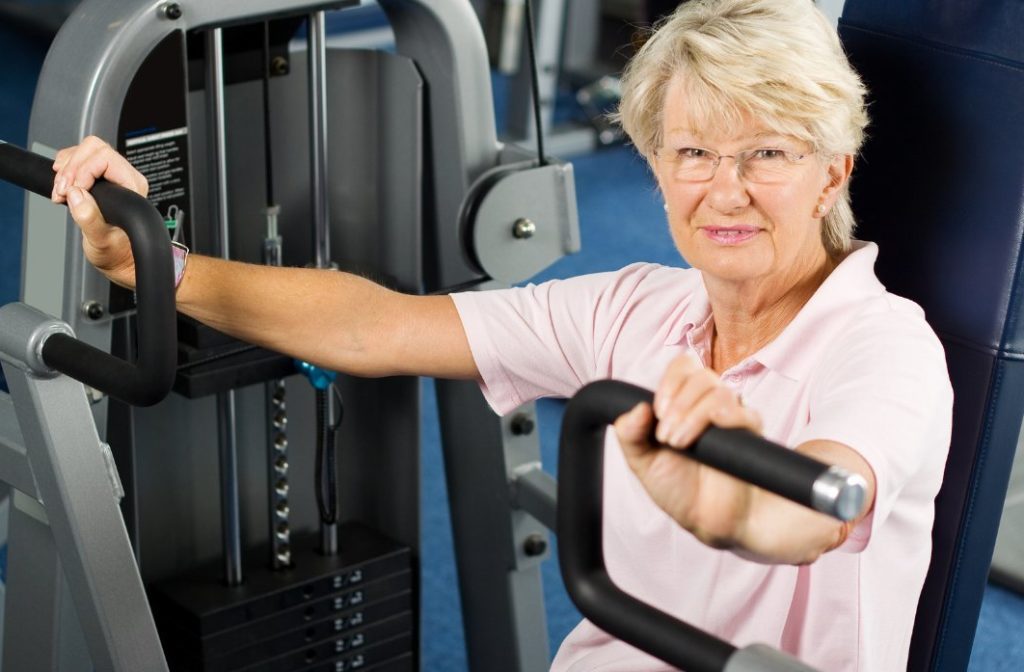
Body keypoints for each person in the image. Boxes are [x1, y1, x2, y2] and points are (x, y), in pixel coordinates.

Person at [51, 0, 952, 669]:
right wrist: (154, 267)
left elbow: (820, 509)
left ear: (833, 172)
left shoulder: (886, 350)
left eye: (768, 154)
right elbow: (381, 327)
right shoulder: (636, 308)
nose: (725, 189)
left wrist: (733, 512)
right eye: (693, 152)